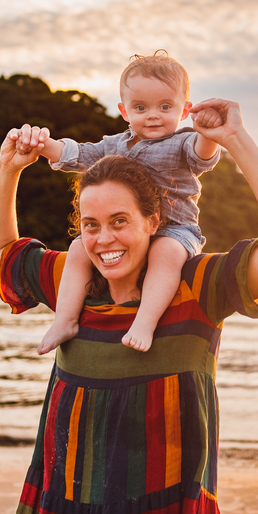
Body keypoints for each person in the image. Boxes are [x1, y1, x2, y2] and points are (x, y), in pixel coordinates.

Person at [0, 97, 258, 514]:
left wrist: (235, 141)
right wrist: (8, 168)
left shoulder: (195, 288)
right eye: (91, 225)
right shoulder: (72, 287)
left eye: (120, 222)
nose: (104, 240)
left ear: (153, 222)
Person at [24, 52, 222, 355]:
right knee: (78, 247)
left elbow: (202, 156)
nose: (153, 115)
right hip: (126, 230)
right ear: (124, 111)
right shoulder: (115, 145)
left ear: (185, 111)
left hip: (176, 229)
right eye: (141, 107)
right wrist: (43, 145)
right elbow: (80, 155)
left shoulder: (183, 142)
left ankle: (145, 321)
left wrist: (209, 133)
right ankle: (65, 319)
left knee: (165, 252)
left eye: (165, 106)